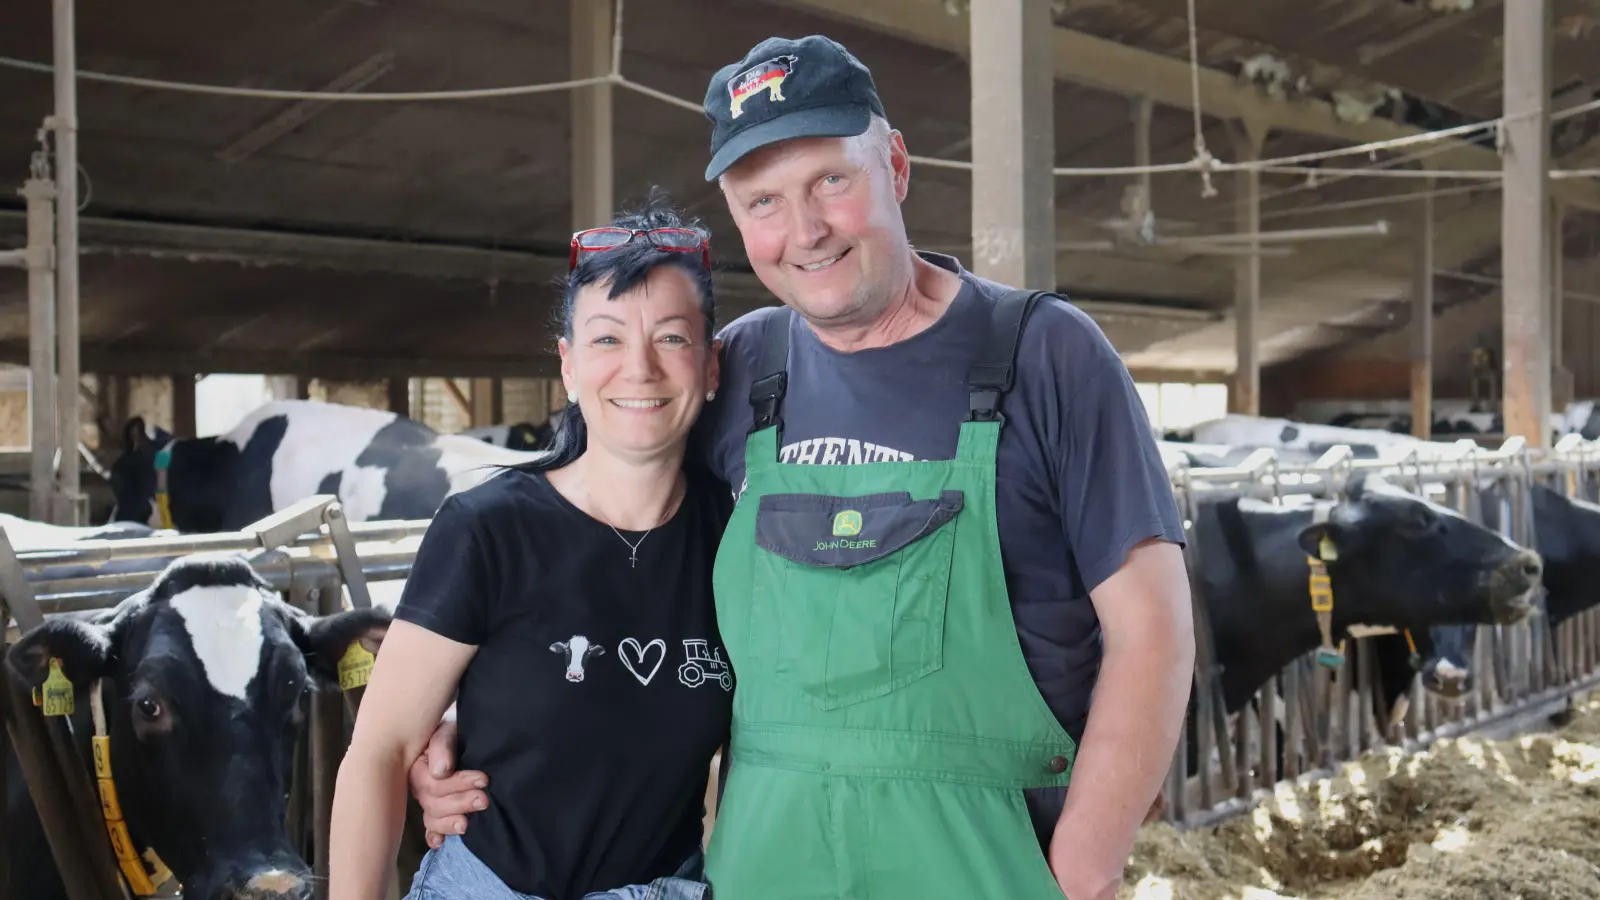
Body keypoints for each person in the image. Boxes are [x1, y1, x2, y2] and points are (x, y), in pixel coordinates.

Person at [408, 34, 1194, 900]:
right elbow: (615, 561)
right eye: (763, 202)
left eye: (832, 180)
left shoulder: (1046, 355)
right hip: (767, 868)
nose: (805, 231)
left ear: (894, 165)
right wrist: (471, 721)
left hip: (993, 865)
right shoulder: (741, 370)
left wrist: (1080, 873)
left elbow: (1153, 632)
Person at [327, 203, 733, 900]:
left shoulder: (736, 534)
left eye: (671, 337)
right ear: (569, 368)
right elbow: (381, 749)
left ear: (711, 365)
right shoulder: (488, 529)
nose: (638, 369)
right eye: (606, 340)